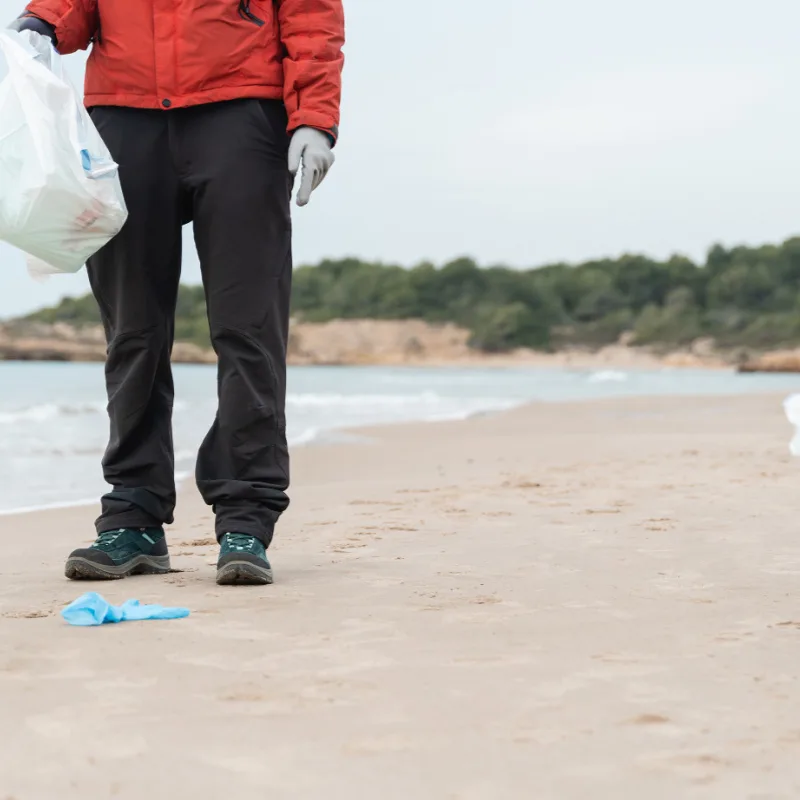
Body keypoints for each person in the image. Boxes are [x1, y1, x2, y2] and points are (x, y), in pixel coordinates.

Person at [9, 0, 345, 586]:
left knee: (248, 328)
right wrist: (43, 22)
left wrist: (314, 117)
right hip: (123, 117)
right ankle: (133, 517)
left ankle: (246, 518)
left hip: (242, 117)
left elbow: (312, 20)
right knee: (133, 331)